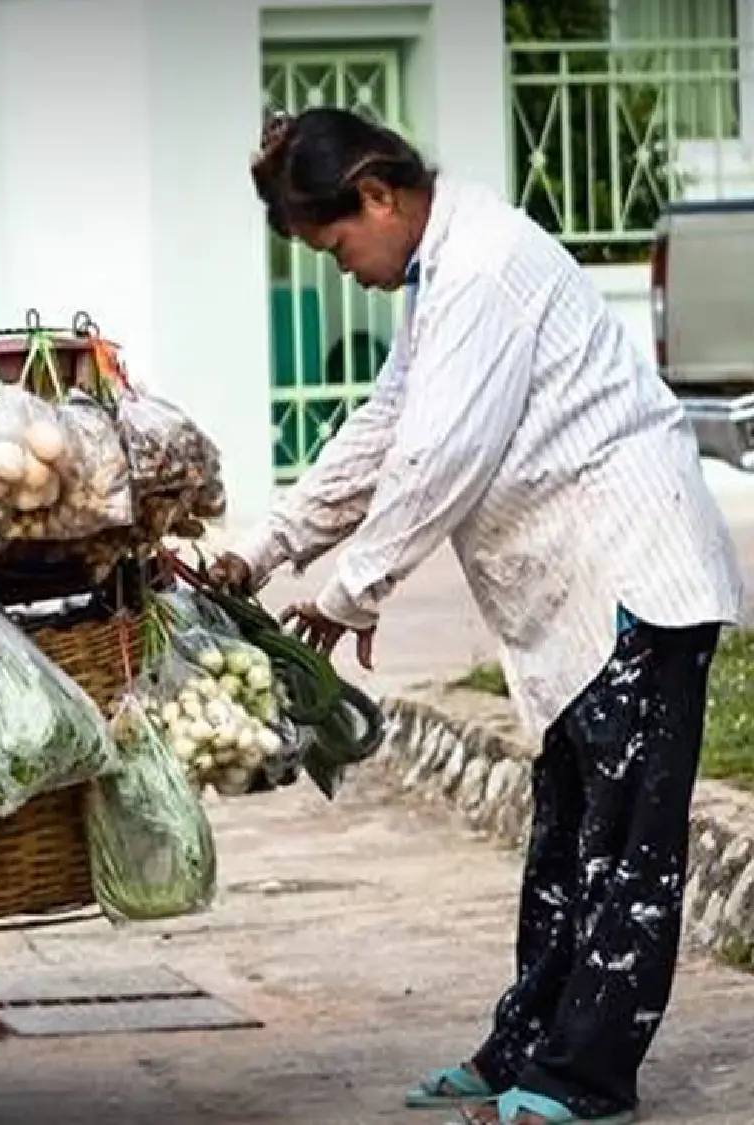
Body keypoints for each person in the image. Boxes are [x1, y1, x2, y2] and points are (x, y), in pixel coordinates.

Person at [215, 108, 744, 1125]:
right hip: (575, 603)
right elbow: (386, 427)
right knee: (562, 843)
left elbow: (440, 458)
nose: (341, 269)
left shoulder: (482, 267)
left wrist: (346, 589)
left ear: (377, 195)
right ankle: (522, 1053)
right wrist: (266, 543)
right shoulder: (439, 277)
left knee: (625, 854)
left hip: (634, 582)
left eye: (334, 246)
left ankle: (582, 1082)